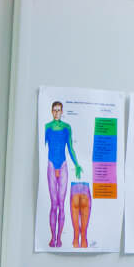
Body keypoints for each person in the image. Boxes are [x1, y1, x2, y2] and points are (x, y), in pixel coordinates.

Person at [43, 101, 82, 249]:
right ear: (52, 112)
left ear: (62, 111)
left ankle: (59, 239)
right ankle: (53, 238)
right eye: (54, 110)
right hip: (51, 165)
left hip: (64, 166)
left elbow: (70, 148)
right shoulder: (47, 127)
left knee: (61, 204)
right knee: (54, 204)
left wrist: (77, 164)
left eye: (59, 110)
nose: (57, 112)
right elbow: (42, 147)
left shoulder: (67, 128)